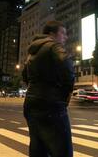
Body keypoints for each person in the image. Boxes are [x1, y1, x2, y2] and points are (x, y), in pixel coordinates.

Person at [22, 20, 75, 157]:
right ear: (52, 34)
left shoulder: (32, 51)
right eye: (62, 33)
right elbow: (67, 67)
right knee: (63, 151)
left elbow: (25, 76)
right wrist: (65, 94)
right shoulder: (54, 46)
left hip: (31, 103)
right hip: (52, 104)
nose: (66, 37)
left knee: (38, 149)